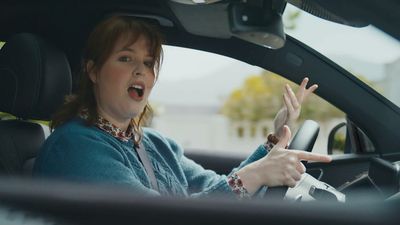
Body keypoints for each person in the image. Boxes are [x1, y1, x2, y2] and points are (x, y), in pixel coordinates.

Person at [33, 16, 331, 199]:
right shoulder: (73, 148)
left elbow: (219, 188)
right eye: (126, 58)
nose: (140, 70)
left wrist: (273, 142)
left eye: (149, 63)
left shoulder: (154, 143)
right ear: (93, 71)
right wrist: (257, 174)